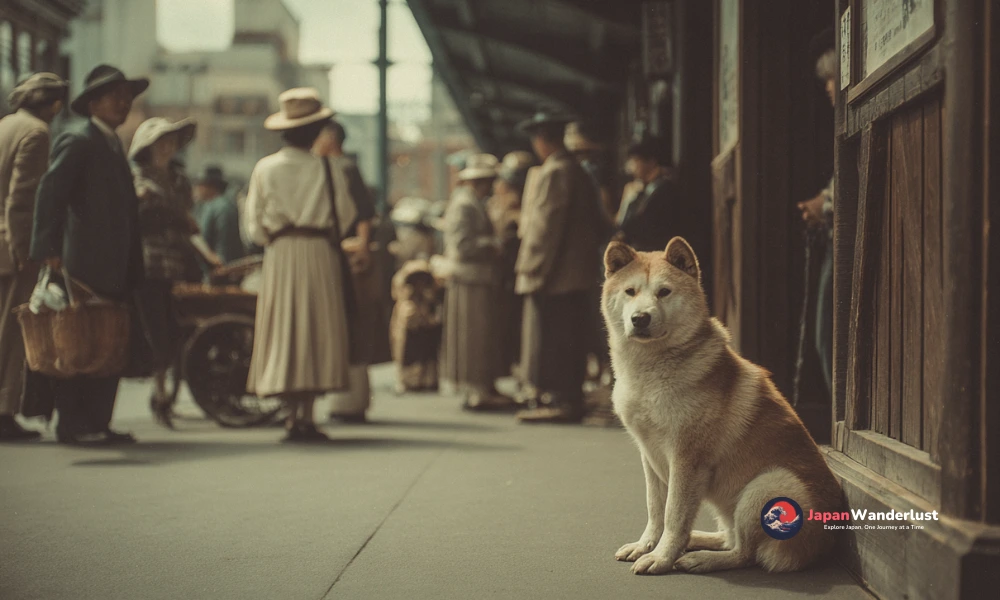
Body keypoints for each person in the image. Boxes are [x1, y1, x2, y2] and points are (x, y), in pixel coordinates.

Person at [29, 64, 148, 445]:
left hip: (114, 262)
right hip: (83, 262)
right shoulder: (78, 139)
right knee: (77, 341)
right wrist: (47, 249)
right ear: (93, 102)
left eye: (127, 97)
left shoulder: (112, 142)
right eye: (116, 97)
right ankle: (72, 423)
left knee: (108, 342)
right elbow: (51, 194)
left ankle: (98, 422)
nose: (124, 103)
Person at [244, 87, 354, 442]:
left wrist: (274, 234)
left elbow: (252, 225)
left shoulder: (264, 168)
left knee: (285, 328)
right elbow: (346, 214)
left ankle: (291, 414)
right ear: (315, 131)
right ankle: (307, 414)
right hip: (318, 253)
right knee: (316, 329)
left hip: (281, 254)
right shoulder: (328, 167)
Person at [513, 112, 603, 424]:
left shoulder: (555, 172)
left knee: (555, 340)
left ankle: (561, 400)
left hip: (556, 276)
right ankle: (568, 398)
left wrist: (530, 269)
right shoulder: (576, 170)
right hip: (573, 274)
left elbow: (544, 228)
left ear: (542, 141)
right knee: (570, 339)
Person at [0, 73, 68, 441]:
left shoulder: (5, 125)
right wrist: (26, 249)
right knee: (10, 333)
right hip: (11, 247)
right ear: (54, 104)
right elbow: (22, 197)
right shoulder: (37, 132)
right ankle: (3, 410)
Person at [128, 117, 199, 428]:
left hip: (178, 263)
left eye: (171, 141)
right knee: (156, 334)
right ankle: (161, 396)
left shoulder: (179, 179)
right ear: (148, 146)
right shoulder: (137, 178)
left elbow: (190, 222)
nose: (167, 147)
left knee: (177, 333)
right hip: (149, 265)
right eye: (161, 142)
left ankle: (169, 396)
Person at [312, 120, 381, 423]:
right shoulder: (321, 167)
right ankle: (343, 399)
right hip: (333, 254)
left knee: (351, 324)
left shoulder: (345, 168)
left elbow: (364, 214)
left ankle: (350, 401)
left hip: (349, 259)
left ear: (331, 137)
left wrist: (363, 248)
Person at [441, 153, 514, 411]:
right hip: (470, 279)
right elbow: (462, 245)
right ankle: (477, 390)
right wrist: (493, 244)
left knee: (479, 336)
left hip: (476, 278)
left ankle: (482, 386)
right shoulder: (465, 204)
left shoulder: (471, 202)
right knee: (473, 337)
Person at [797, 48, 838, 395]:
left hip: (840, 237)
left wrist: (824, 203)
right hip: (832, 235)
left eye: (831, 78)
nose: (828, 87)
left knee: (828, 331)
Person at [488, 151, 534, 379]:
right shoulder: (502, 207)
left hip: (514, 273)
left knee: (516, 324)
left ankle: (518, 368)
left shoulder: (520, 210)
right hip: (506, 274)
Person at [615, 135, 681, 252]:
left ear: (651, 162)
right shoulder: (646, 190)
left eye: (635, 160)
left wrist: (628, 201)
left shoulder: (665, 190)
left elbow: (635, 227)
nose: (631, 167)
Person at [193, 166, 245, 266]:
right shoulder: (215, 205)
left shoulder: (218, 207)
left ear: (210, 186)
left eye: (199, 184)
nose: (196, 188)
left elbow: (222, 253)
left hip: (221, 269)